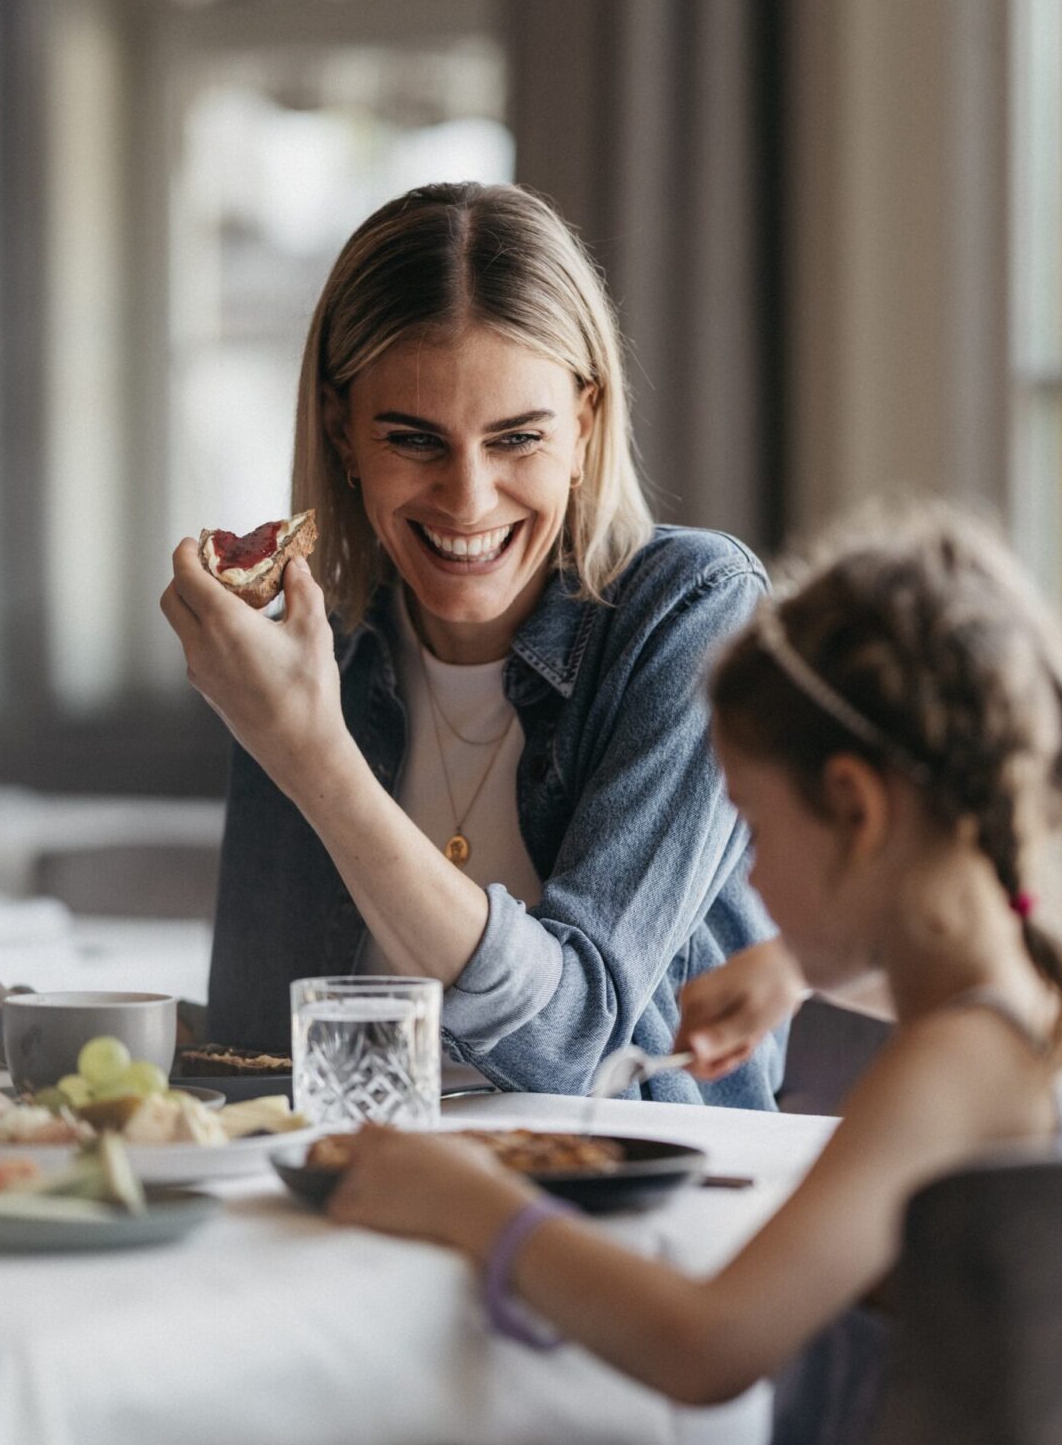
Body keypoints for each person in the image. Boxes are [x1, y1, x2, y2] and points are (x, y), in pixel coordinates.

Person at [327, 500, 1062, 1445]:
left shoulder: (952, 1070)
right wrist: (789, 968)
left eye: (757, 833)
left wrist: (473, 1203)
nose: (754, 881)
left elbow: (705, 1348)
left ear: (855, 809)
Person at [159, 182, 785, 1106]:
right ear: (341, 433)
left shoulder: (694, 613)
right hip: (360, 1172)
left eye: (517, 438)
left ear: (585, 424)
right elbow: (264, 1052)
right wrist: (13, 1017)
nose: (468, 499)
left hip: (622, 1175)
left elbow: (572, 1039)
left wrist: (311, 755)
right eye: (414, 440)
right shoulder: (318, 643)